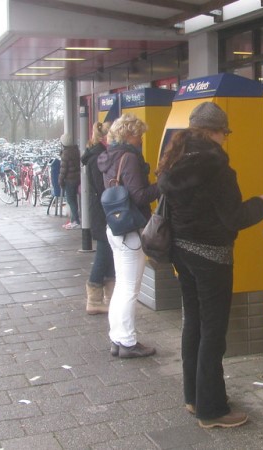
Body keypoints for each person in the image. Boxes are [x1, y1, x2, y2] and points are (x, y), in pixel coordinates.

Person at [156, 102, 263, 429]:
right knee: (213, 332)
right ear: (215, 131)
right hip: (211, 257)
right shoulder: (217, 167)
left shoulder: (174, 158)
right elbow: (234, 217)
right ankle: (213, 409)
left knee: (193, 323)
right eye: (226, 133)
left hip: (182, 253)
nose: (226, 139)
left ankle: (193, 397)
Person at [97, 113, 160, 358]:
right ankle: (127, 342)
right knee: (129, 288)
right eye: (139, 134)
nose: (142, 139)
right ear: (129, 134)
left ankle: (117, 337)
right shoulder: (130, 158)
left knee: (122, 285)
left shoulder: (108, 156)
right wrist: (163, 183)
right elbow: (140, 195)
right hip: (131, 231)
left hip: (115, 227)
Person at [80, 122, 115, 314]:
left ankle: (109, 297)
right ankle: (93, 300)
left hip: (100, 209)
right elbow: (101, 187)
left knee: (108, 251)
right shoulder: (98, 157)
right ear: (104, 137)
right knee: (103, 251)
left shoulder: (95, 154)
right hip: (102, 211)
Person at [59, 133, 81, 229]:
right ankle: (74, 219)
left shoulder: (65, 154)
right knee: (75, 200)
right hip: (77, 178)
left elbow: (63, 170)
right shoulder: (76, 151)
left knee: (71, 200)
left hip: (69, 179)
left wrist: (60, 180)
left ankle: (75, 220)